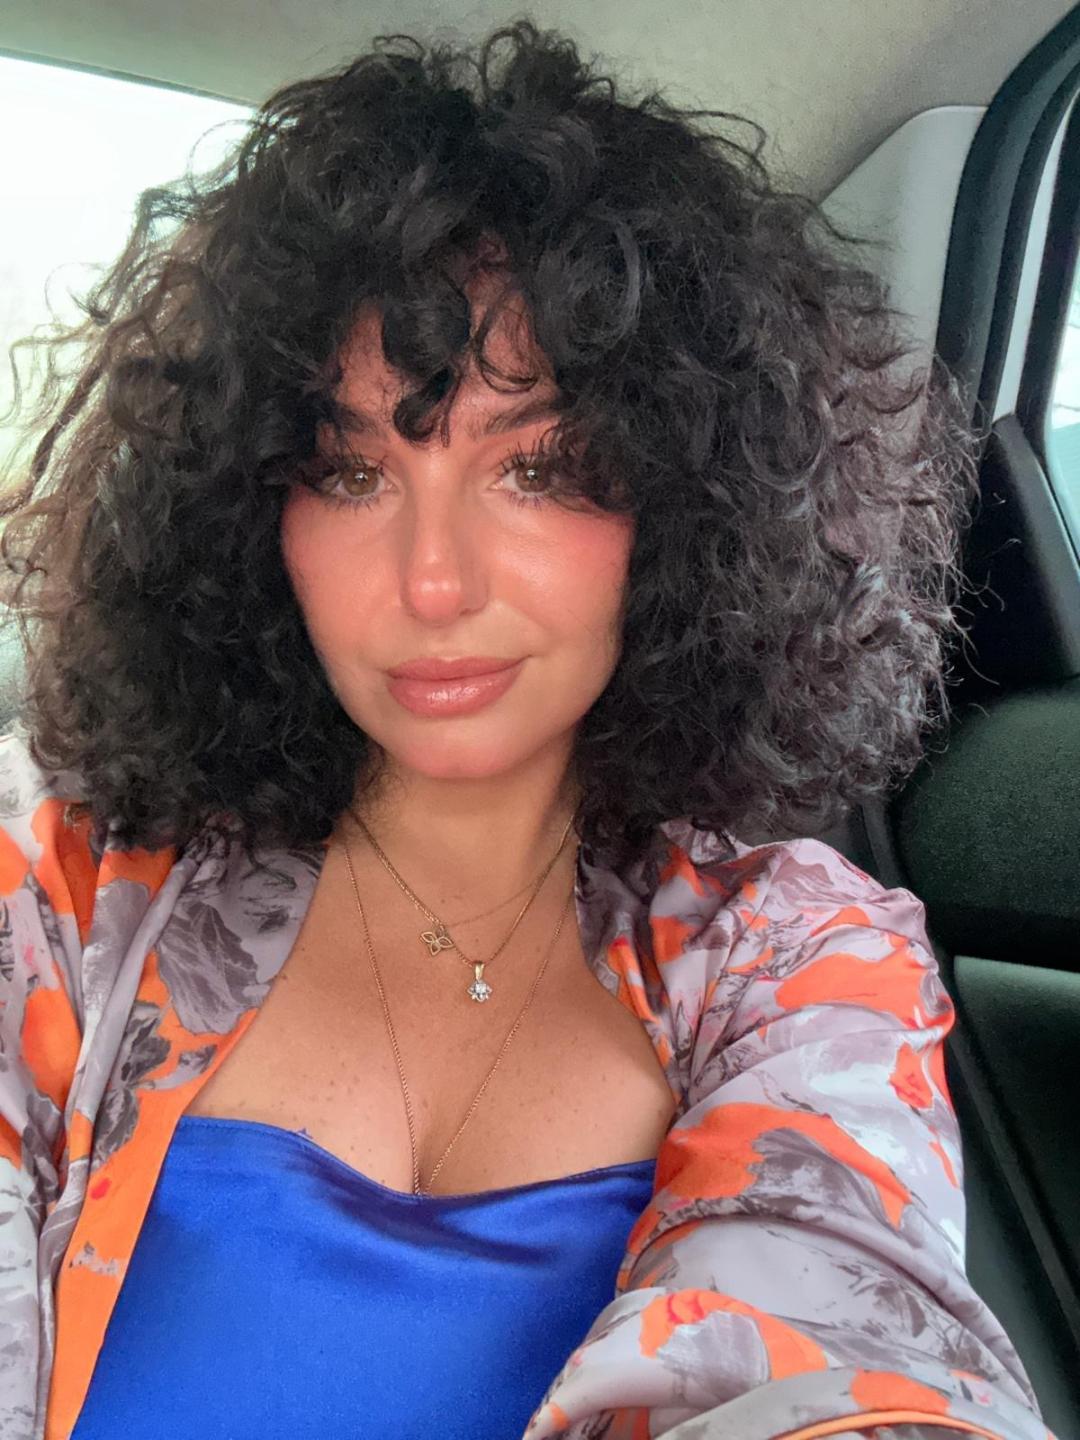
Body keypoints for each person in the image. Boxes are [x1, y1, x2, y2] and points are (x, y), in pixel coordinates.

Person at [0, 19, 1056, 1440]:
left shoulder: (801, 957)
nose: (434, 583)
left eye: (542, 467)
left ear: (687, 507)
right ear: (250, 516)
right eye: (350, 474)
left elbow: (849, 1344)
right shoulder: (67, 891)